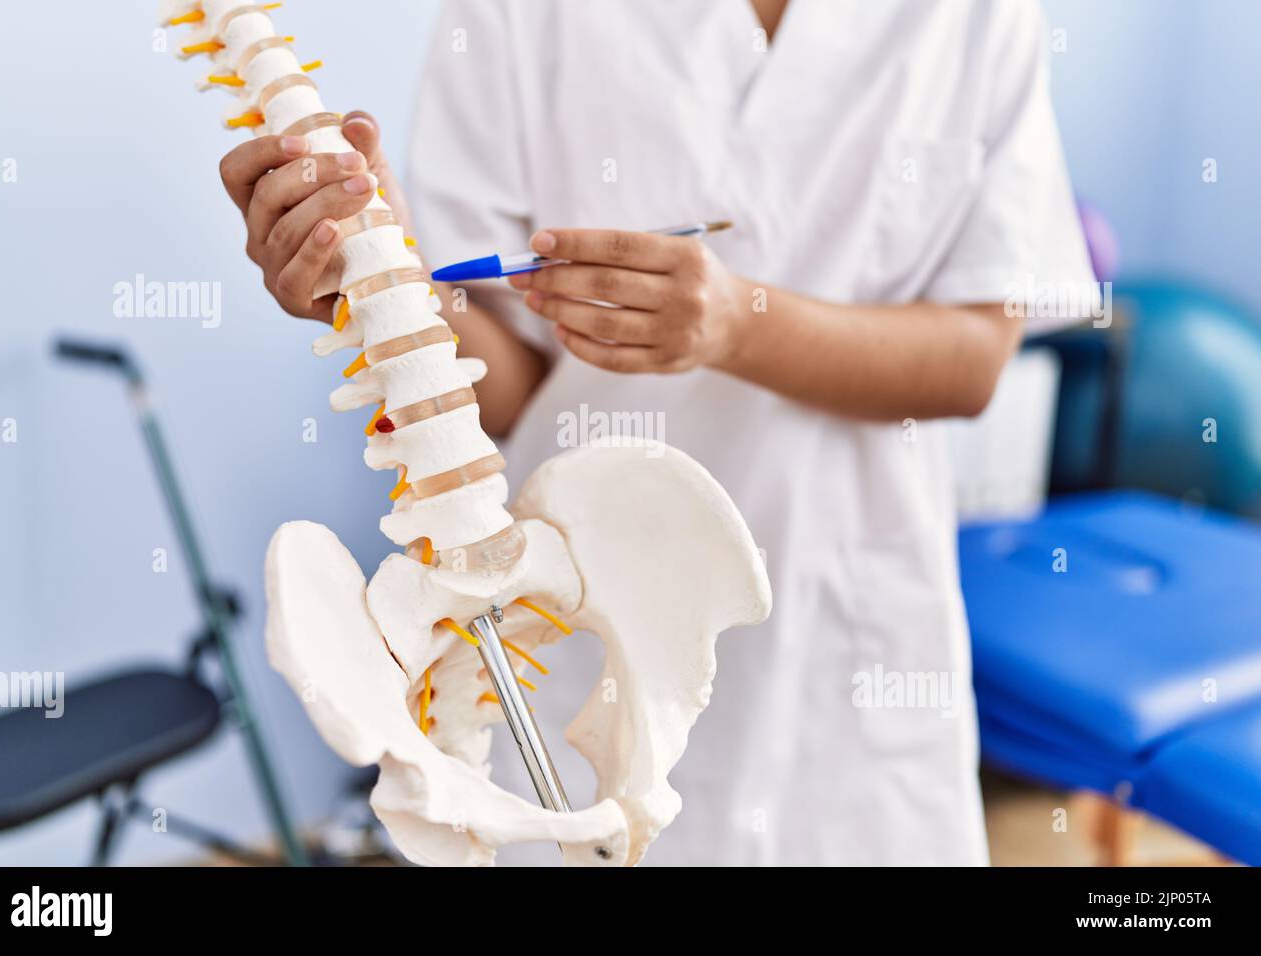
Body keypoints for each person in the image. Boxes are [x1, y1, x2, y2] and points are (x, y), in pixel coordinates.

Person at [217, 0, 1095, 865]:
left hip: (853, 643)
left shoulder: (979, 17)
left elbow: (977, 357)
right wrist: (378, 278)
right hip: (579, 652)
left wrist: (739, 327)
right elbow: (513, 386)